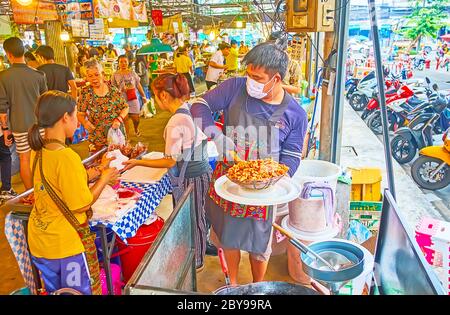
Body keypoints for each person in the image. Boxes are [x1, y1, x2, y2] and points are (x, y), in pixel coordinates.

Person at [191, 39, 308, 285]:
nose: (250, 81)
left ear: (276, 79)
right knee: (229, 236)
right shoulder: (234, 87)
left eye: (257, 77)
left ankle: (257, 286)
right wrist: (216, 135)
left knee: (259, 243)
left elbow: (293, 154)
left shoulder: (295, 114)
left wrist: (278, 178)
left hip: (264, 190)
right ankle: (232, 284)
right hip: (229, 181)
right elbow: (199, 106)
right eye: (248, 74)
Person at [27, 90, 120, 295]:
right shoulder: (67, 157)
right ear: (65, 118)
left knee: (56, 292)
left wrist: (97, 170)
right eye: (76, 114)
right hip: (66, 248)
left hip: (41, 244)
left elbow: (59, 181)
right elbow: (82, 204)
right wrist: (105, 179)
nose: (78, 120)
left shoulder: (39, 151)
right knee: (76, 292)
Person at [123, 73, 212, 271]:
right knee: (200, 215)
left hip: (191, 178)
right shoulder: (188, 108)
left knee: (192, 218)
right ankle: (201, 249)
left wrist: (138, 162)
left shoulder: (175, 121)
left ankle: (196, 260)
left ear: (163, 95)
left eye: (155, 95)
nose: (154, 100)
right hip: (202, 173)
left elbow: (170, 161)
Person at [0, 37, 47, 194]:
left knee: (24, 160)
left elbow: (2, 107)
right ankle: (46, 192)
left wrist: (5, 129)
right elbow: (45, 101)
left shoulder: (3, 76)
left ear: (8, 54)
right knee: (43, 158)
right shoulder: (39, 75)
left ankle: (31, 194)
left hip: (19, 126)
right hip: (39, 125)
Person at [77, 58, 129, 152]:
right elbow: (80, 114)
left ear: (103, 74)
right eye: (90, 76)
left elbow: (125, 107)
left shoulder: (113, 90)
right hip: (97, 137)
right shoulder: (85, 93)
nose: (94, 78)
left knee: (119, 161)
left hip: (115, 134)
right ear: (87, 77)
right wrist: (85, 123)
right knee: (99, 163)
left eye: (97, 75)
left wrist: (119, 119)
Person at [111, 55, 147, 137]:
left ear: (128, 63)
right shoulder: (115, 75)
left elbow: (138, 85)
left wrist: (143, 96)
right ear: (118, 63)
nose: (123, 64)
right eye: (121, 62)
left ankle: (136, 129)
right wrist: (119, 91)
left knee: (136, 118)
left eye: (125, 62)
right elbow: (113, 88)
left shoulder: (132, 73)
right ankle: (127, 136)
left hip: (133, 98)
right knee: (125, 119)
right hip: (121, 100)